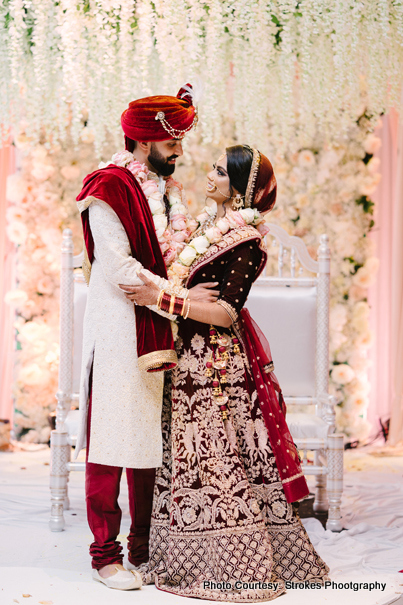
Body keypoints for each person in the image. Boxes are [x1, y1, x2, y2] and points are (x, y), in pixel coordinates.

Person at [121, 145, 329, 601]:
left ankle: (238, 564)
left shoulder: (248, 242)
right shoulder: (204, 229)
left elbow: (224, 313)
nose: (209, 175)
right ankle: (181, 556)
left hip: (215, 367)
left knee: (219, 462)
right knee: (186, 461)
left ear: (238, 188)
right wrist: (176, 293)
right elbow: (188, 289)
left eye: (219, 171)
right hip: (184, 358)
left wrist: (162, 300)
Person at [74, 85, 218, 591]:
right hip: (119, 329)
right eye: (172, 142)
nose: (180, 152)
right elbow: (119, 270)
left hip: (160, 328)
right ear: (144, 140)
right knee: (112, 440)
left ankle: (144, 549)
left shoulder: (165, 190)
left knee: (148, 441)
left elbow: (164, 262)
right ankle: (105, 557)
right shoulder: (108, 188)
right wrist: (182, 296)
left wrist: (179, 299)